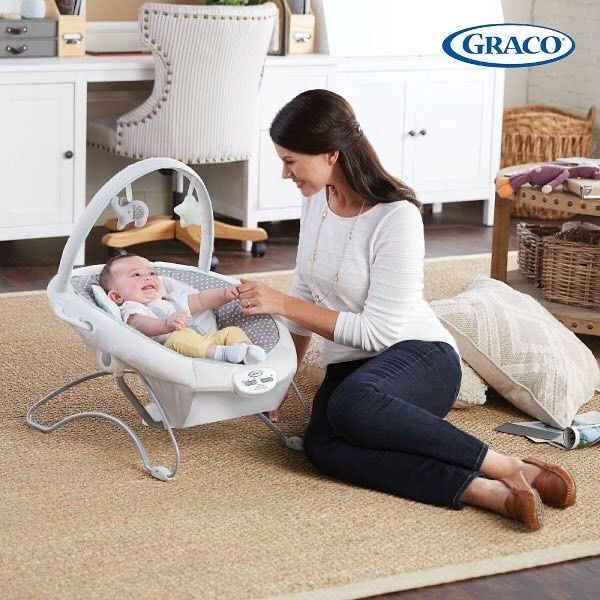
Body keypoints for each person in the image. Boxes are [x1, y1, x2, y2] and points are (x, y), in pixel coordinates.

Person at [235, 89, 576, 530]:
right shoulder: (315, 198)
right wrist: (284, 375)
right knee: (320, 446)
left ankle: (507, 466)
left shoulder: (396, 216)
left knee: (351, 405)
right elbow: (305, 288)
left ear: (330, 154)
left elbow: (376, 333)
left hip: (420, 357)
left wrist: (281, 303)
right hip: (352, 368)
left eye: (291, 161)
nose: (285, 173)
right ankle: (486, 492)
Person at [99, 254, 266, 365]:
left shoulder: (171, 300)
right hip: (172, 351)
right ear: (116, 296)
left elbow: (200, 300)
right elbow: (139, 324)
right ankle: (224, 354)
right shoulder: (132, 308)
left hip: (206, 341)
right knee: (179, 337)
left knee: (231, 331)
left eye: (152, 273)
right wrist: (165, 325)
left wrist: (225, 294)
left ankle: (247, 351)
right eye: (136, 275)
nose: (148, 278)